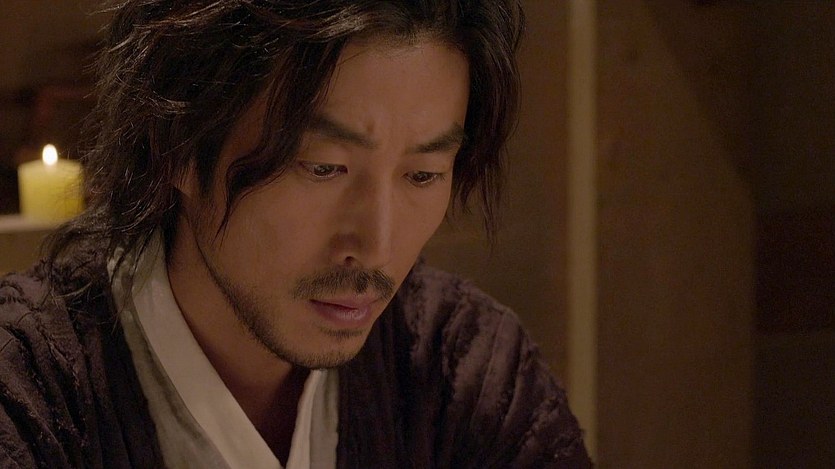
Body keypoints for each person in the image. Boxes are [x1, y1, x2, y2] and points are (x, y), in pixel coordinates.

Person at [0, 1, 590, 467]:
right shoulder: (28, 390)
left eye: (423, 175)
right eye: (324, 167)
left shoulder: (467, 374)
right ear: (174, 144)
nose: (378, 247)